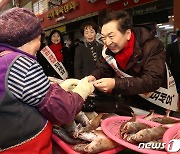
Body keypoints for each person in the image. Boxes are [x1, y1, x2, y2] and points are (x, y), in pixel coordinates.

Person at [0, 7, 94, 153]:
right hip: (26, 148)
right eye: (38, 39)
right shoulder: (19, 62)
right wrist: (81, 92)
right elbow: (63, 110)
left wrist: (59, 87)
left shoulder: (3, 58)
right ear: (26, 38)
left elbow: (23, 92)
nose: (40, 44)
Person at [87, 11, 179, 114]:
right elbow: (103, 67)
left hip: (157, 102)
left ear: (128, 34)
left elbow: (153, 79)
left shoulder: (152, 45)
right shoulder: (108, 50)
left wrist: (115, 84)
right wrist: (93, 76)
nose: (107, 42)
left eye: (111, 36)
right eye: (103, 37)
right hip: (131, 100)